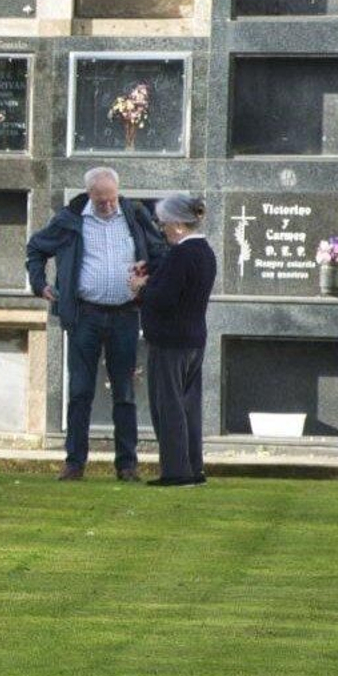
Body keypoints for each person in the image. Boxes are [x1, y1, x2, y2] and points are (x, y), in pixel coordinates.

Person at [25, 167, 166, 482]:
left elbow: (159, 252)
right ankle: (75, 463)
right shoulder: (70, 219)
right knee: (80, 391)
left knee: (125, 391)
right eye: (100, 201)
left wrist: (148, 275)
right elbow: (36, 248)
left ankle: (127, 465)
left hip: (126, 314)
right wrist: (39, 283)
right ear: (89, 194)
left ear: (118, 192)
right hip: (83, 315)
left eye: (111, 199)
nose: (107, 206)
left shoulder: (135, 215)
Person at [129, 194, 217, 487]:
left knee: (168, 408)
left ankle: (176, 471)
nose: (162, 228)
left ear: (178, 224)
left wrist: (140, 288)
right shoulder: (204, 250)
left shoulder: (181, 253)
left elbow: (165, 298)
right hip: (194, 338)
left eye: (164, 223)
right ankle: (194, 468)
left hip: (170, 341)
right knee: (188, 408)